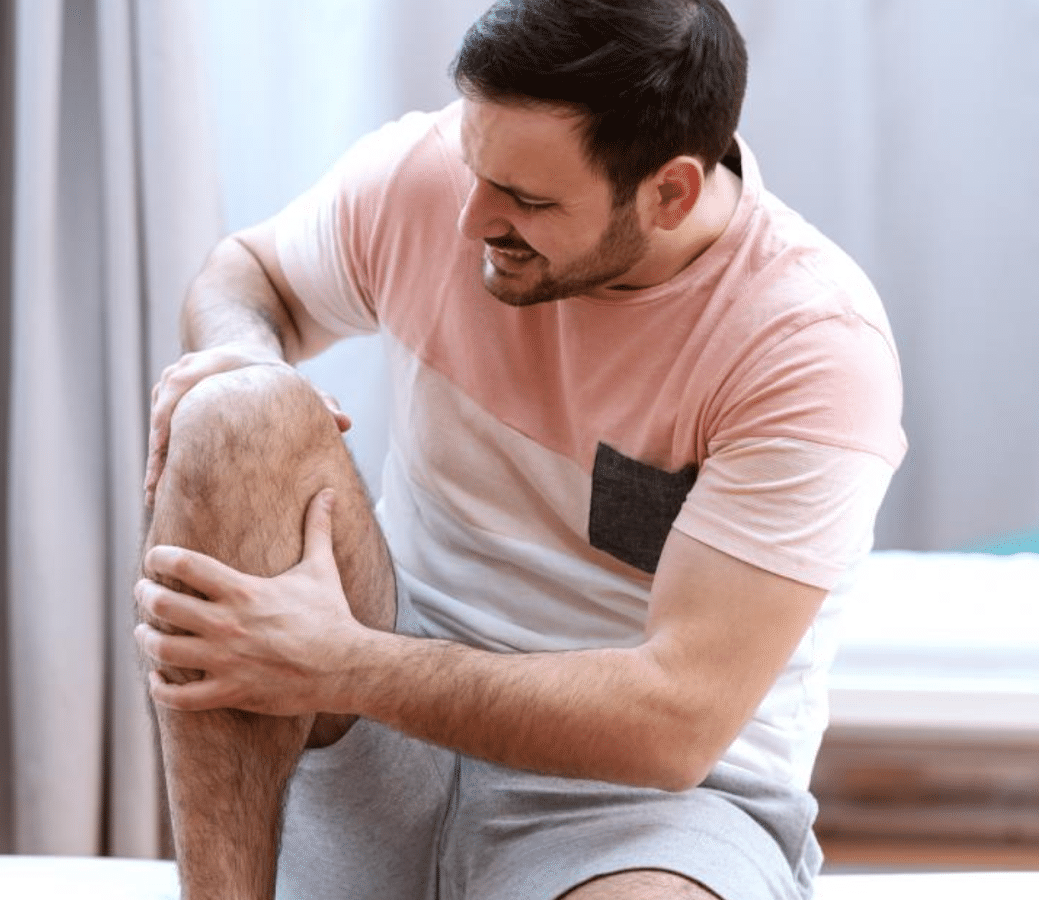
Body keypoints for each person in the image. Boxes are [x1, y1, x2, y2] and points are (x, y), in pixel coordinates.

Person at [133, 1, 905, 898]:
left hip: (637, 804)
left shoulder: (808, 346)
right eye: (474, 167)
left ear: (670, 192)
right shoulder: (433, 181)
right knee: (234, 407)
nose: (469, 221)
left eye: (529, 201)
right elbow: (248, 274)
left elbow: (674, 725)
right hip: (383, 718)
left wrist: (335, 659)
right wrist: (244, 355)